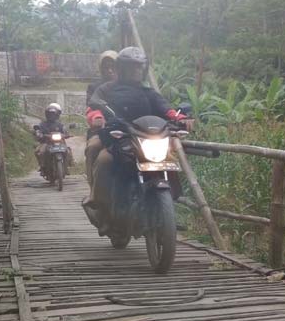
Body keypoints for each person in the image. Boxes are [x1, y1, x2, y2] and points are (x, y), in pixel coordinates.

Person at [83, 46, 191, 219]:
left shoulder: (148, 92)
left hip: (144, 139)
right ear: (122, 68)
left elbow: (166, 109)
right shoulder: (106, 89)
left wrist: (181, 118)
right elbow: (94, 106)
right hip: (118, 138)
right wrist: (96, 117)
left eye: (139, 67)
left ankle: (170, 203)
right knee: (103, 159)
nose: (136, 71)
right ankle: (97, 203)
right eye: (132, 67)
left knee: (169, 158)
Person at [84, 50, 118, 186]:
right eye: (106, 67)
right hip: (103, 130)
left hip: (129, 131)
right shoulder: (95, 87)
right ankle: (93, 189)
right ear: (101, 69)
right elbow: (91, 107)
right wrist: (97, 117)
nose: (110, 70)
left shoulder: (129, 84)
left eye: (113, 66)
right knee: (92, 148)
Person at [35, 103, 69, 173]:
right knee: (40, 152)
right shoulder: (43, 124)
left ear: (57, 115)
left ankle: (67, 166)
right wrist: (39, 134)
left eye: (53, 114)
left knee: (68, 151)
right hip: (46, 142)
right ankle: (42, 166)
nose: (51, 116)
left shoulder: (60, 124)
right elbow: (38, 131)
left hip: (59, 142)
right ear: (47, 114)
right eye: (50, 114)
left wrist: (66, 134)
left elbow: (64, 131)